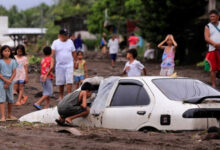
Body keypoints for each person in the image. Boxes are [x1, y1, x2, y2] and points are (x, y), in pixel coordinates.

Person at [51, 28, 76, 101]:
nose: (66, 36)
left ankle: (68, 96)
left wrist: (76, 61)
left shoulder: (70, 42)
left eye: (67, 35)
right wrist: (50, 63)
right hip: (59, 65)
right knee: (60, 81)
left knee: (69, 80)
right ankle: (61, 96)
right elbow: (52, 53)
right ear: (60, 35)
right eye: (65, 35)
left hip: (69, 64)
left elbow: (74, 52)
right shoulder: (55, 42)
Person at [0, 45, 17, 122]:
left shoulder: (13, 61)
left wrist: (9, 81)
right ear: (2, 52)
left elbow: (14, 72)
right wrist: (5, 81)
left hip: (10, 81)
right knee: (2, 99)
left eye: (8, 51)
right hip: (1, 81)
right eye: (5, 51)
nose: (7, 53)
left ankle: (9, 115)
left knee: (10, 99)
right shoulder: (0, 61)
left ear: (10, 52)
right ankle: (3, 116)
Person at [204, 10, 220, 88]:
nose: (212, 18)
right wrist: (214, 44)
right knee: (212, 68)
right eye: (210, 16)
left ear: (218, 16)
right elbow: (206, 38)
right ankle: (213, 85)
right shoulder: (208, 26)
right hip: (212, 50)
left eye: (213, 16)